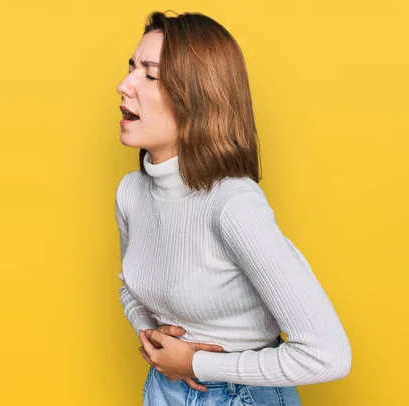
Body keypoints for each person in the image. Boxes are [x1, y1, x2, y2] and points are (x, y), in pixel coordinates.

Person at [114, 10, 352, 406]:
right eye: (131, 68)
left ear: (198, 96)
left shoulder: (233, 204)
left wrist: (198, 365)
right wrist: (148, 333)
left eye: (149, 75)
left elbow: (329, 356)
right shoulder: (131, 193)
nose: (123, 86)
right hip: (161, 388)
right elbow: (131, 283)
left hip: (241, 396)